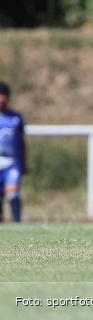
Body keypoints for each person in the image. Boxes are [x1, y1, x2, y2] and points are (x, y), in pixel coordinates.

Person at [0, 82, 25, 223]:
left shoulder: (16, 118)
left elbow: (22, 141)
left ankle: (17, 222)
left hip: (12, 162)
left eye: (4, 96)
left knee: (13, 193)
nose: (1, 100)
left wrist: (23, 162)